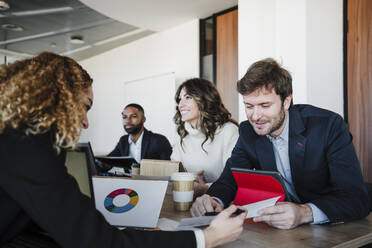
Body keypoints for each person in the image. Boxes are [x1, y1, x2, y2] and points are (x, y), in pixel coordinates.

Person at [0, 52, 247, 248]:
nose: (86, 122)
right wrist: (208, 238)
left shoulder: (16, 139)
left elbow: (231, 178)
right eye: (85, 107)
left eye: (188, 98)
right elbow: (100, 242)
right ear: (60, 99)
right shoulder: (28, 147)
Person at [190, 58, 371, 229]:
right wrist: (213, 199)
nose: (255, 116)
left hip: (336, 228)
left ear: (286, 101)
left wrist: (305, 212)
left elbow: (357, 199)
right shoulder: (248, 131)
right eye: (249, 106)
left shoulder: (328, 126)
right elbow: (229, 179)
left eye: (265, 105)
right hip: (281, 231)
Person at [171, 78, 239, 196]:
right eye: (179, 99)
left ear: (205, 99)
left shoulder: (229, 131)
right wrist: (191, 180)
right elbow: (174, 173)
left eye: (187, 97)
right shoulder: (182, 135)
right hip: (190, 199)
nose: (180, 105)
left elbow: (234, 179)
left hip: (222, 200)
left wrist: (205, 187)